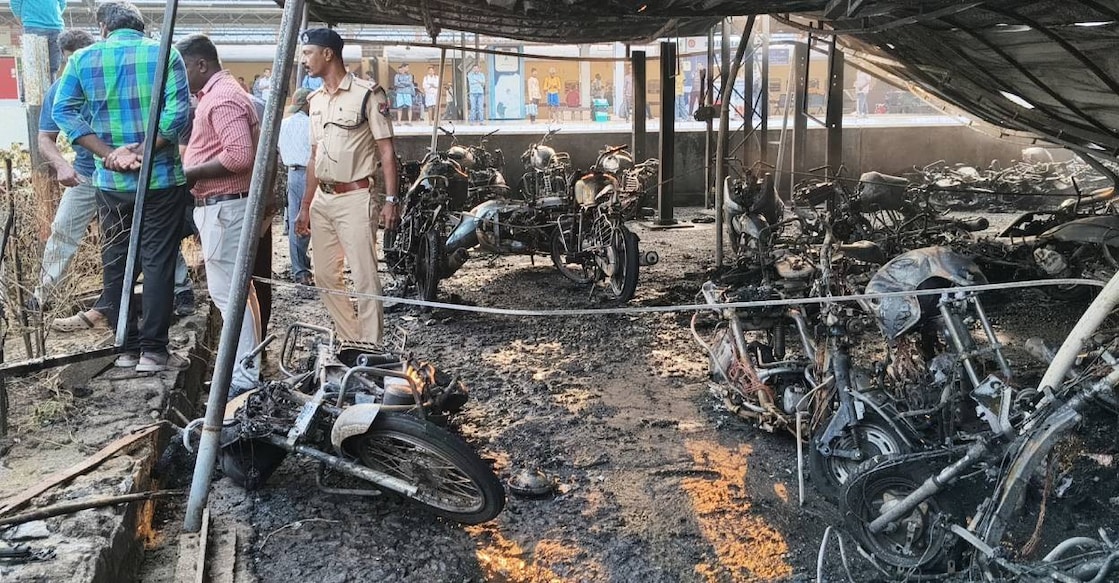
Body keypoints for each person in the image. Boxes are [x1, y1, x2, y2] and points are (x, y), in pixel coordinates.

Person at [53, 0, 192, 372]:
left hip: (112, 181)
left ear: (103, 28)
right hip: (160, 179)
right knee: (158, 262)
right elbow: (178, 113)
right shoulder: (167, 54)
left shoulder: (82, 60)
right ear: (141, 26)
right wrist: (145, 151)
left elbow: (61, 111)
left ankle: (126, 348)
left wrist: (109, 153)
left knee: (116, 262)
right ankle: (154, 352)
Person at [293, 28, 400, 346]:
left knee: (365, 275)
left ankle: (371, 347)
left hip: (355, 196)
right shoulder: (314, 101)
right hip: (322, 200)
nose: (304, 60)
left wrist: (391, 199)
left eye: (308, 53)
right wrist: (304, 206)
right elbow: (314, 156)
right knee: (325, 276)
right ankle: (351, 340)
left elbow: (387, 151)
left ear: (328, 54)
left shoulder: (368, 94)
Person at [176, 34, 262, 396]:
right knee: (241, 291)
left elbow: (240, 155)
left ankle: (243, 377)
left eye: (182, 70)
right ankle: (247, 367)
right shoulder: (218, 94)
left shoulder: (222, 97)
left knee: (228, 295)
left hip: (225, 207)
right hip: (227, 206)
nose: (179, 79)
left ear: (201, 65)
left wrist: (191, 173)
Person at [277, 88, 312, 288]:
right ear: (308, 104)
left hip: (293, 173)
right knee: (310, 221)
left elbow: (280, 151)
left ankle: (300, 268)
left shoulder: (283, 125)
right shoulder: (313, 124)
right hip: (310, 172)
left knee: (296, 221)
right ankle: (303, 270)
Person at [11, 0, 66, 77]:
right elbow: (62, 3)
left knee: (45, 68)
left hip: (42, 27)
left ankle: (49, 88)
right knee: (37, 68)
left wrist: (25, 21)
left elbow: (15, 3)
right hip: (52, 26)